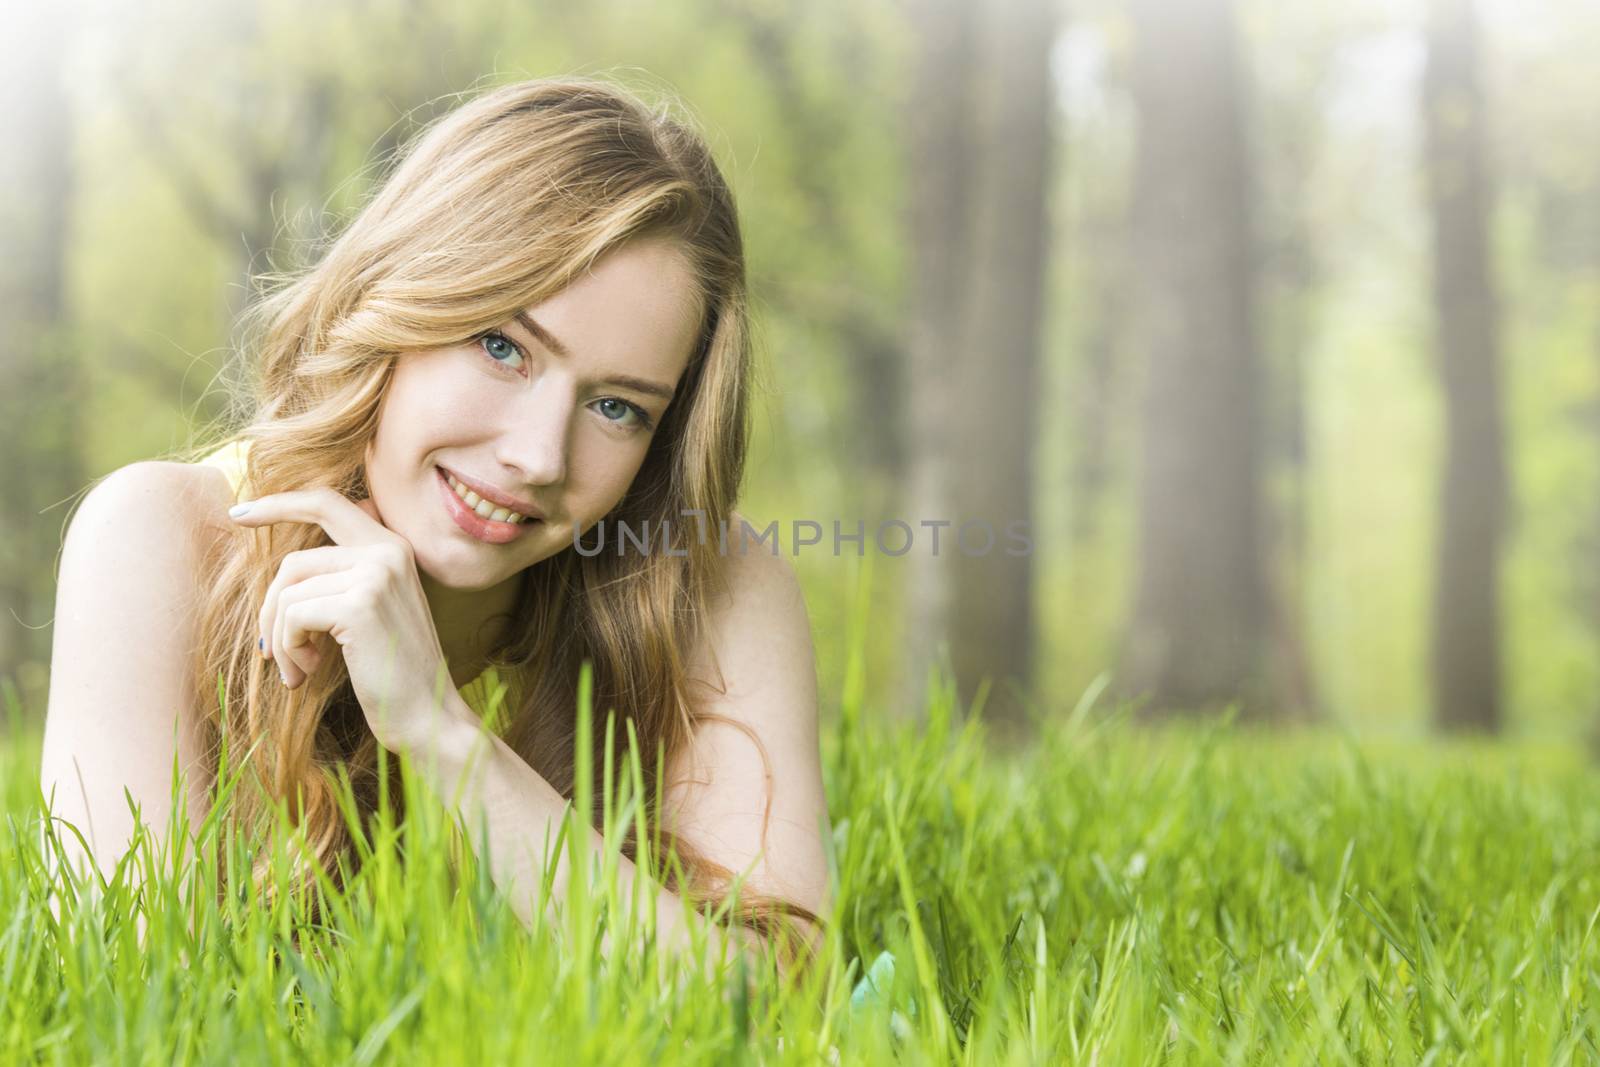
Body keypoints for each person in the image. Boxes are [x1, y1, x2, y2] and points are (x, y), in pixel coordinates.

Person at [37, 77, 831, 980]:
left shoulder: (712, 582)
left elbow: (775, 1001)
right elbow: (127, 992)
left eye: (617, 406)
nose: (538, 456)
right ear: (395, 305)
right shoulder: (159, 543)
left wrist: (442, 733)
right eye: (502, 346)